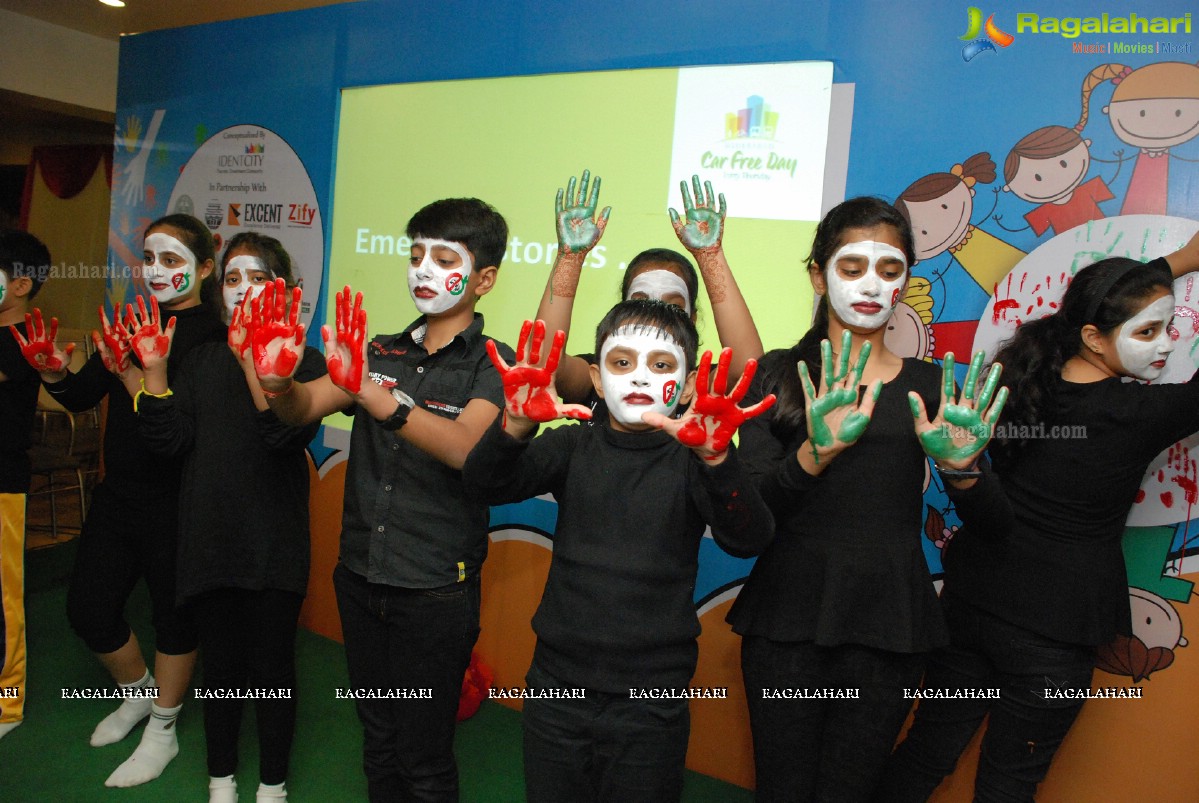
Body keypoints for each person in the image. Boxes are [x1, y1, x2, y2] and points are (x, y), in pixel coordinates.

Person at [878, 230, 1199, 802]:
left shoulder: (1017, 380)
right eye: (1148, 331)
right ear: (1094, 339)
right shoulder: (1140, 413)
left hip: (971, 606)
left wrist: (1179, 260)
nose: (1165, 345)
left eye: (1167, 328)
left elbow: (1095, 304)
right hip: (1054, 632)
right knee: (1009, 782)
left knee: (926, 750)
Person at [728, 197, 998, 802]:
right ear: (818, 275)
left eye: (890, 269)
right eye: (852, 268)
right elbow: (745, 517)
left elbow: (996, 522)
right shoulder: (779, 375)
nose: (871, 285)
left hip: (890, 624)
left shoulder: (933, 387)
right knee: (784, 790)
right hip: (787, 622)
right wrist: (813, 455)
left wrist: (962, 470)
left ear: (906, 282)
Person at [251, 197, 512, 801]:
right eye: (415, 254)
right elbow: (300, 410)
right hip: (362, 575)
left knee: (425, 757)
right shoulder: (379, 351)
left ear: (484, 278)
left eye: (443, 257)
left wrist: (376, 397)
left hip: (435, 589)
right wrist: (275, 380)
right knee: (379, 741)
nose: (422, 269)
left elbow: (465, 449)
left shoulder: (495, 363)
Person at [462, 300, 775, 802]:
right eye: (622, 362)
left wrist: (718, 459)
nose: (639, 378)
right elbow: (483, 485)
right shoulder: (573, 445)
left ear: (690, 382)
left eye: (662, 365)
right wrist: (516, 425)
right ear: (594, 373)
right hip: (557, 683)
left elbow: (749, 539)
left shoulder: (695, 457)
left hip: (652, 694)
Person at [15, 213, 225, 786]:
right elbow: (86, 394)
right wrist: (55, 371)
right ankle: (139, 695)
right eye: (150, 259)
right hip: (119, 498)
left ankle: (164, 727)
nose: (156, 271)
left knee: (173, 621)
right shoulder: (138, 319)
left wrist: (142, 373)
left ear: (206, 268)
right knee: (87, 608)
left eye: (173, 261)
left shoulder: (217, 335)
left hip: (180, 503)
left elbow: (188, 429)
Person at [128, 236, 324, 803]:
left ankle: (272, 786)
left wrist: (253, 360)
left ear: (284, 290)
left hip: (273, 545)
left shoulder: (301, 360)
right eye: (233, 280)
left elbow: (281, 433)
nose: (242, 289)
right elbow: (167, 441)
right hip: (210, 541)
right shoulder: (201, 359)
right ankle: (220, 780)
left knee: (272, 670)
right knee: (221, 671)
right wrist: (157, 373)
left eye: (257, 278)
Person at [535, 170, 763, 411]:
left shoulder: (695, 386)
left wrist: (711, 257)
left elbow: (747, 369)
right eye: (640, 302)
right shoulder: (601, 374)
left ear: (692, 319)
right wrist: (570, 258)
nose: (656, 318)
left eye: (673, 306)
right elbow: (543, 364)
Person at [0, 229, 53, 741]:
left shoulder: (24, 345)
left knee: (3, 600)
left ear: (19, 285)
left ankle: (5, 704)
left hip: (2, 486)